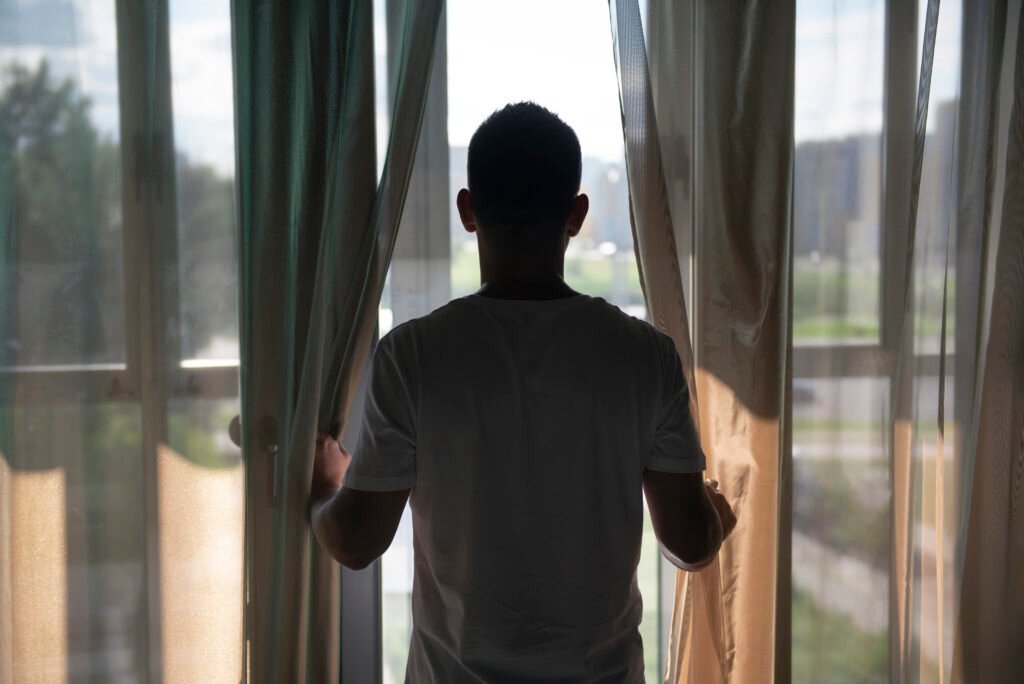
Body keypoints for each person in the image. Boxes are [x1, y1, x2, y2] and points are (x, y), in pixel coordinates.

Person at [309, 102, 737, 683]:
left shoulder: (412, 355)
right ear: (577, 215)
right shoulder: (645, 355)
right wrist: (716, 511)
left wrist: (323, 489)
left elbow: (356, 543)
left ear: (467, 210)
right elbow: (689, 544)